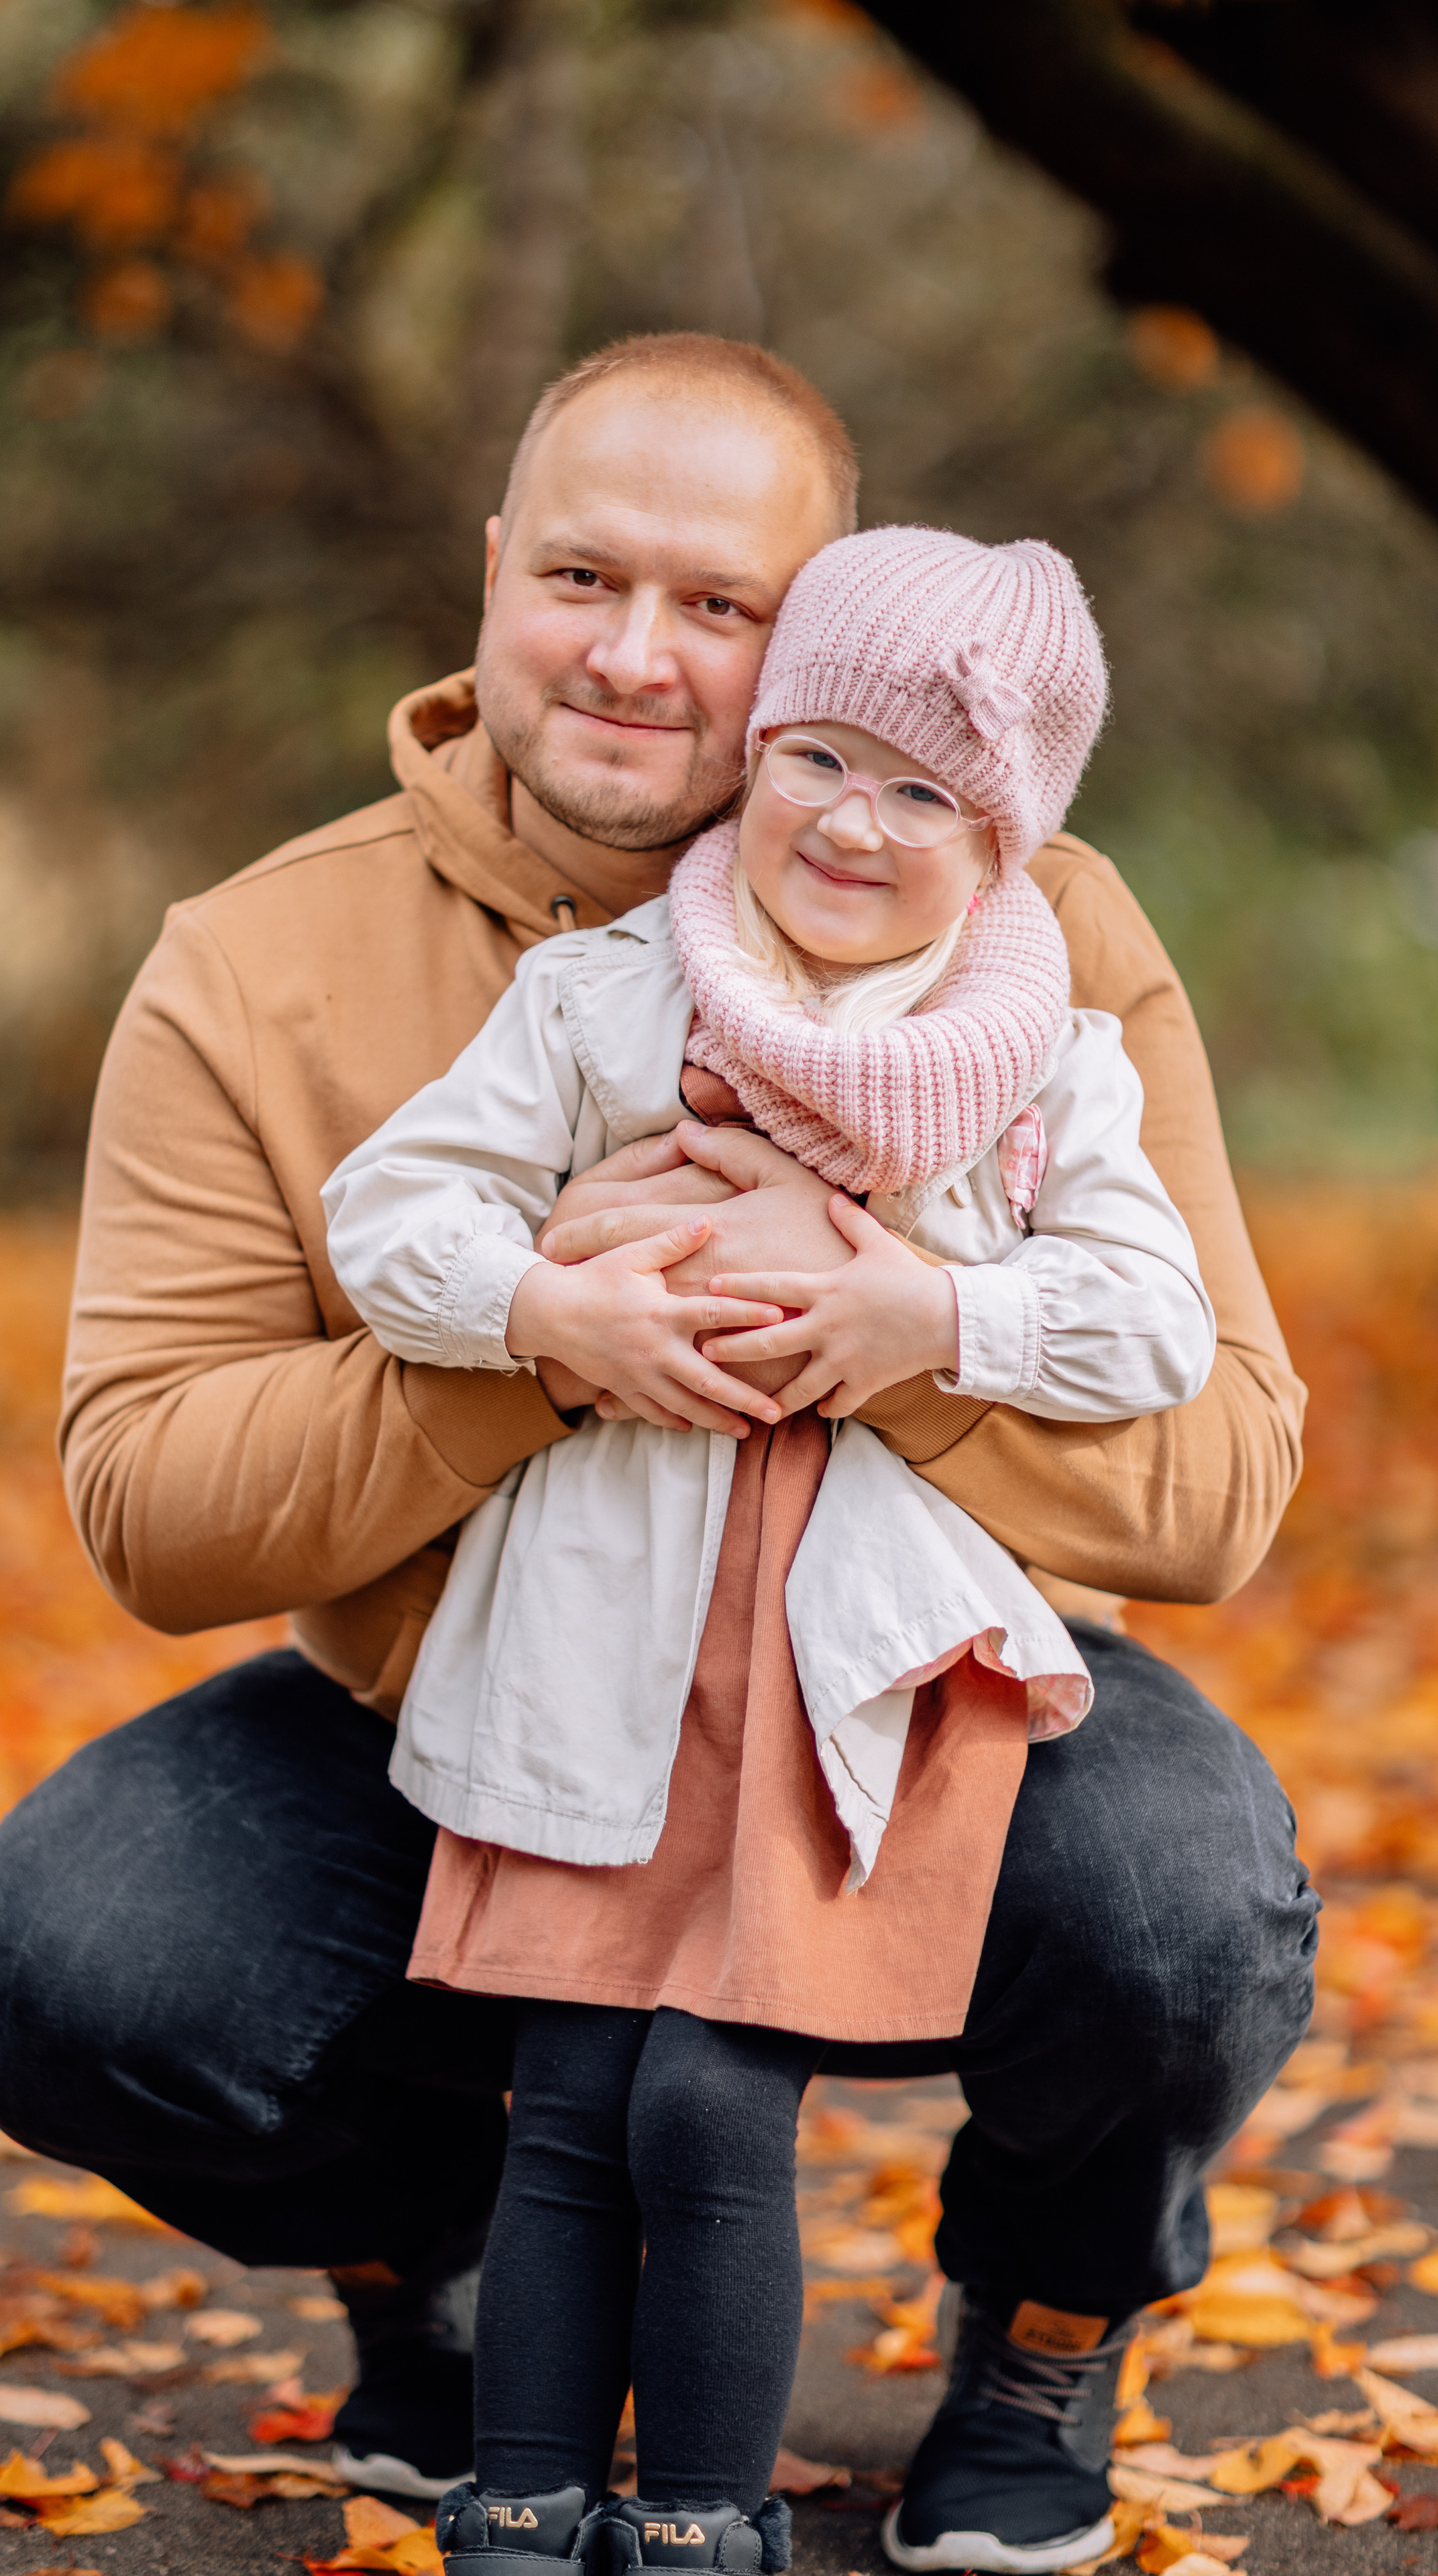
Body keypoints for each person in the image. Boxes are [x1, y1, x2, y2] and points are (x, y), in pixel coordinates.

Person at [0, 335, 1317, 2576]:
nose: (636, 656)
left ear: (821, 627)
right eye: (583, 575)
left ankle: (1045, 2334)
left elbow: (1225, 1472)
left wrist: (874, 1321)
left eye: (720, 604)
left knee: (1189, 1907)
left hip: (907, 1703)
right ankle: (437, 2270)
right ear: (495, 569)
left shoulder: (1024, 933)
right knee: (75, 1963)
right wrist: (549, 1347)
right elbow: (152, 1505)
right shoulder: (258, 961)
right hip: (460, 1718)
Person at [319, 521, 1219, 2576]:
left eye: (925, 793)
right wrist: (548, 1311)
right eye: (818, 757)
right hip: (602, 1628)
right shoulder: (604, 1000)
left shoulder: (1041, 1061)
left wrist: (935, 1316)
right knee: (570, 2103)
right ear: (759, 753)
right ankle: (526, 2497)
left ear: (1004, 840)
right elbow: (392, 1218)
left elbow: (1155, 1323)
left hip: (840, 1664)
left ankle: (708, 2519)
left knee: (712, 2107)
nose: (854, 822)